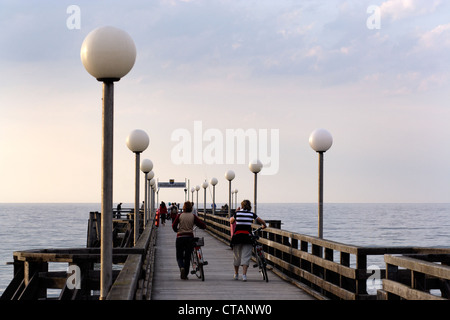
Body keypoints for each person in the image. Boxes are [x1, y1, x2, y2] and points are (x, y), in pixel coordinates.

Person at [230, 199, 267, 282]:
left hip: (237, 237)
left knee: (237, 256)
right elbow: (262, 222)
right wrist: (264, 225)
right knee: (246, 257)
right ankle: (244, 275)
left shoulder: (237, 213)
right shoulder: (251, 214)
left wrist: (235, 212)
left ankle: (236, 274)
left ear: (242, 206)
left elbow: (231, 222)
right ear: (250, 206)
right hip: (247, 237)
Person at [172, 201, 207, 280]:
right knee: (188, 256)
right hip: (189, 238)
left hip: (180, 237)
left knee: (179, 256)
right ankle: (186, 274)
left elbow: (173, 225)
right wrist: (204, 227)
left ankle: (181, 267)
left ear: (184, 207)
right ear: (191, 207)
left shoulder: (180, 215)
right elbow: (201, 224)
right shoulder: (193, 216)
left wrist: (177, 230)